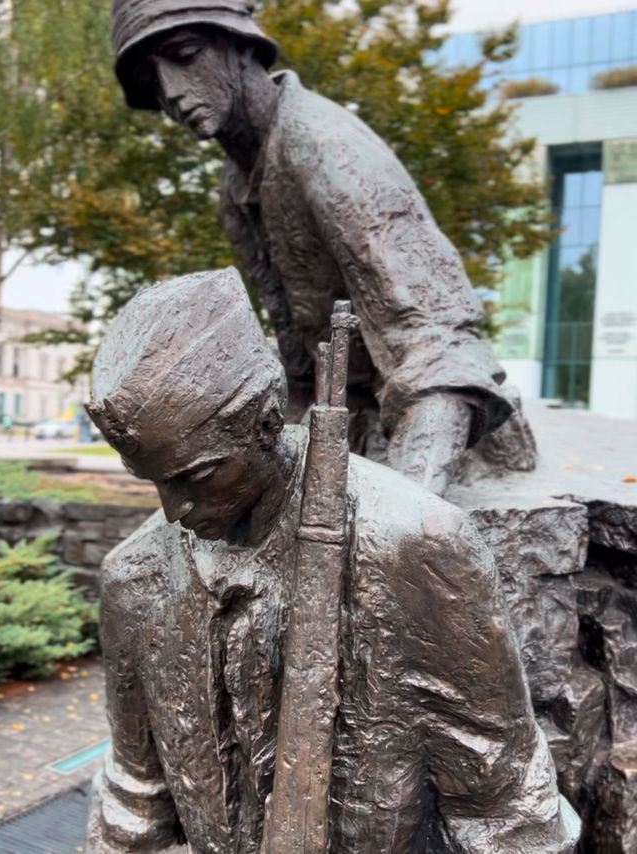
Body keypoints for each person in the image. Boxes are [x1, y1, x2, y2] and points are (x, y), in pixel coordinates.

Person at [86, 267, 578, 854]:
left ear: (267, 423)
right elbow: (135, 801)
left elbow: (507, 811)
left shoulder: (420, 548)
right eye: (155, 481)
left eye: (198, 474)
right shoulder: (135, 578)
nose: (175, 510)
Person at [109, 0, 535, 497]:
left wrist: (409, 517)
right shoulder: (235, 187)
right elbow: (300, 365)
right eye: (151, 82)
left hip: (439, 439)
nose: (172, 93)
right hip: (345, 428)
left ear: (241, 46)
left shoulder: (327, 148)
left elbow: (442, 350)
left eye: (185, 54)